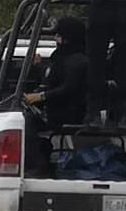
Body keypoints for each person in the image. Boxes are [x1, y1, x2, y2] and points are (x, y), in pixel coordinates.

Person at [24, 17, 89, 175]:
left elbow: (68, 88)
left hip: (71, 115)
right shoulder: (59, 58)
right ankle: (43, 156)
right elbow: (51, 80)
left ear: (68, 38)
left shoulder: (78, 61)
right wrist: (37, 69)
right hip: (55, 112)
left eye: (59, 36)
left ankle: (37, 165)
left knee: (26, 123)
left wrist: (41, 97)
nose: (56, 39)